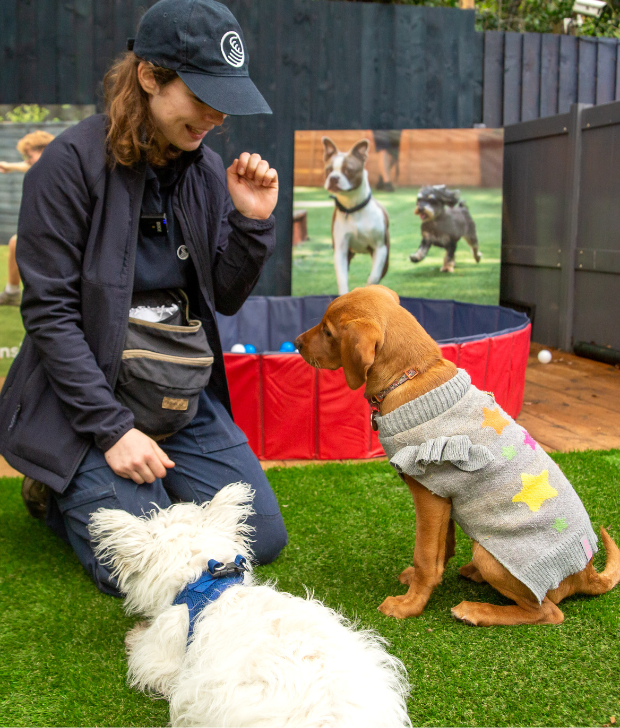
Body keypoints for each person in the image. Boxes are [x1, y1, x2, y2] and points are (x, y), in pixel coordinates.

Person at [0, 0, 288, 596]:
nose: (215, 115)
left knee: (260, 537)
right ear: (150, 76)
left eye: (224, 99)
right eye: (202, 94)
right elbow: (48, 313)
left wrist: (253, 223)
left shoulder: (206, 171)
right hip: (91, 397)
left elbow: (225, 298)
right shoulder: (66, 165)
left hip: (175, 388)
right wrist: (112, 431)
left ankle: (144, 486)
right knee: (140, 567)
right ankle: (57, 488)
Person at [0, 130, 54, 305]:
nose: (27, 160)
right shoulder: (48, 164)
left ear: (44, 150)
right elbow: (29, 165)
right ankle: (12, 292)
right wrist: (9, 165)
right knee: (17, 242)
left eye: (29, 155)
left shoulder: (58, 170)